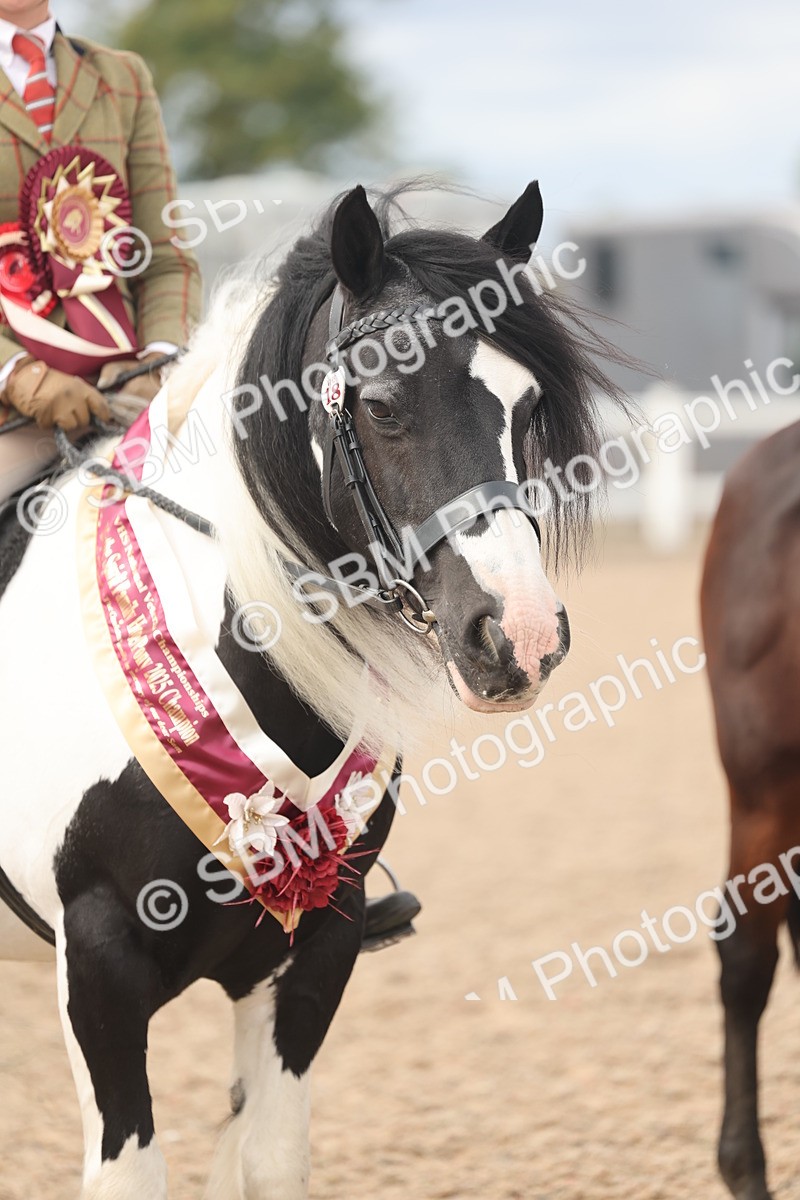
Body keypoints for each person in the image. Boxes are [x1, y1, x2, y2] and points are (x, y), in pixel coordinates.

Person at [0, 0, 201, 504]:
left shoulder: (123, 77)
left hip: (126, 394)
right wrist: (16, 375)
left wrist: (156, 364)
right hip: (12, 414)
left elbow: (165, 257)